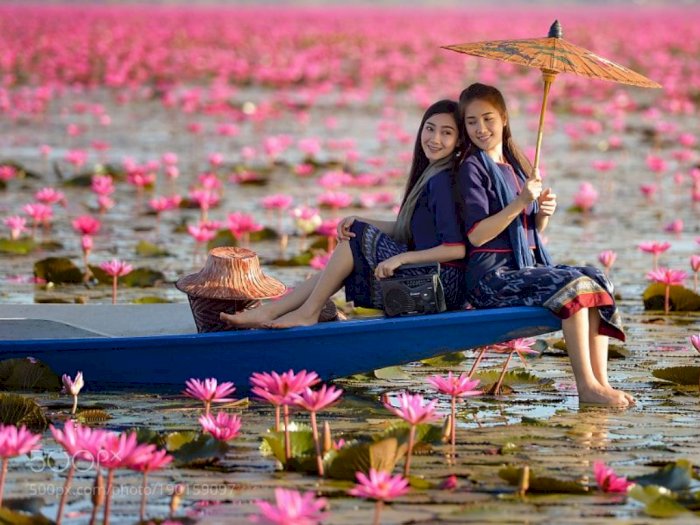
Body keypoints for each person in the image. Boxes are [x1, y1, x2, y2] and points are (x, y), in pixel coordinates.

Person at [457, 83, 634, 407]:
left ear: (504, 119)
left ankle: (601, 382)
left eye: (488, 119)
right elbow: (477, 235)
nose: (480, 129)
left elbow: (528, 231)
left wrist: (542, 214)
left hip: (523, 269)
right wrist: (520, 201)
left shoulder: (517, 167)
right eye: (471, 122)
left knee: (598, 278)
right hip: (490, 280)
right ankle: (586, 386)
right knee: (574, 287)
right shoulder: (472, 168)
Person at [221, 99, 468, 329]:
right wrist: (363, 221)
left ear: (458, 141)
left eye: (446, 133)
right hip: (430, 275)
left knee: (355, 240)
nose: (435, 138)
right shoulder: (432, 175)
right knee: (351, 241)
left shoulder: (443, 182)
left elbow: (456, 249)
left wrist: (400, 259)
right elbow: (409, 229)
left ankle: (306, 312)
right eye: (430, 129)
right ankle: (274, 310)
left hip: (441, 285)